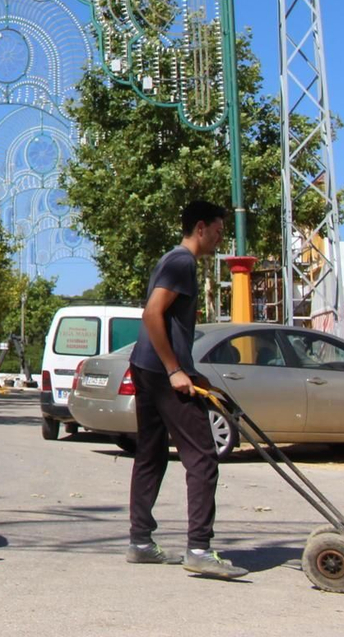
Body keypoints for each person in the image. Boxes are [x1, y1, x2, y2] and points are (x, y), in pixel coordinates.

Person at [126, 201, 246, 579]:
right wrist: (175, 370)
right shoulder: (182, 263)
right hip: (160, 372)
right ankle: (199, 549)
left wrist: (191, 372)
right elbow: (152, 313)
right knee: (203, 457)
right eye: (218, 230)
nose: (220, 237)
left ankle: (141, 543)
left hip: (147, 366)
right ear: (200, 227)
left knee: (150, 454)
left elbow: (171, 327)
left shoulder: (173, 261)